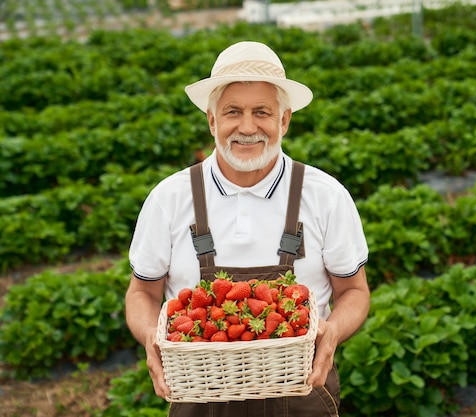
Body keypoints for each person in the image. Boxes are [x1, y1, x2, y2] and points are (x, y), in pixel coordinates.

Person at [125, 40, 370, 417]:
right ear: (211, 120)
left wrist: (333, 330)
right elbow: (142, 292)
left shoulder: (326, 196)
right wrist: (150, 338)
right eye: (232, 112)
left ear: (284, 120)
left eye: (262, 112)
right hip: (197, 393)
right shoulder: (169, 199)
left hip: (300, 394)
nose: (247, 127)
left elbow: (353, 290)